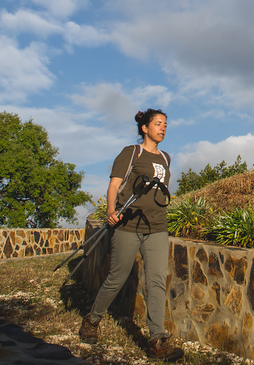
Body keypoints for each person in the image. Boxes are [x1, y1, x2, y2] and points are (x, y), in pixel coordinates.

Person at [79, 108, 184, 362]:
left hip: (157, 227)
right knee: (117, 277)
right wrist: (112, 210)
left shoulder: (166, 158)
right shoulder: (132, 153)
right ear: (145, 128)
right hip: (127, 226)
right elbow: (115, 184)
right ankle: (91, 321)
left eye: (166, 125)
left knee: (157, 280)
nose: (163, 128)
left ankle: (157, 341)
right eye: (158, 124)